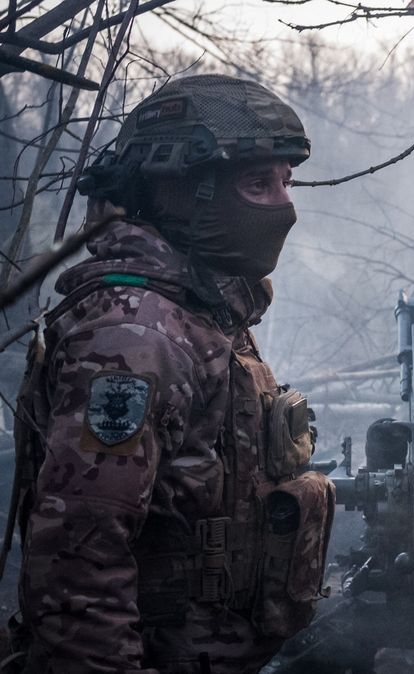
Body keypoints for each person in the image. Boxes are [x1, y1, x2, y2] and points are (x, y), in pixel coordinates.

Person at [8, 74, 335, 673]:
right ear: (184, 190)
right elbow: (78, 565)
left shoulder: (202, 313)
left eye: (285, 183)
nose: (283, 206)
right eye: (257, 184)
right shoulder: (134, 337)